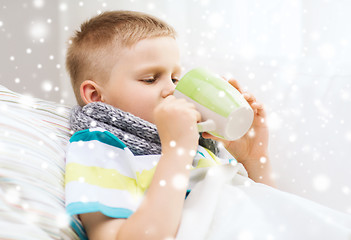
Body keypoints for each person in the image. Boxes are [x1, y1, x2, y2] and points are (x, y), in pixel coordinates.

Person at [64, 10, 273, 239]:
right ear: (95, 95)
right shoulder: (98, 148)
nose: (172, 89)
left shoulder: (200, 144)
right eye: (150, 79)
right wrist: (177, 152)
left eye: (175, 78)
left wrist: (253, 157)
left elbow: (267, 214)